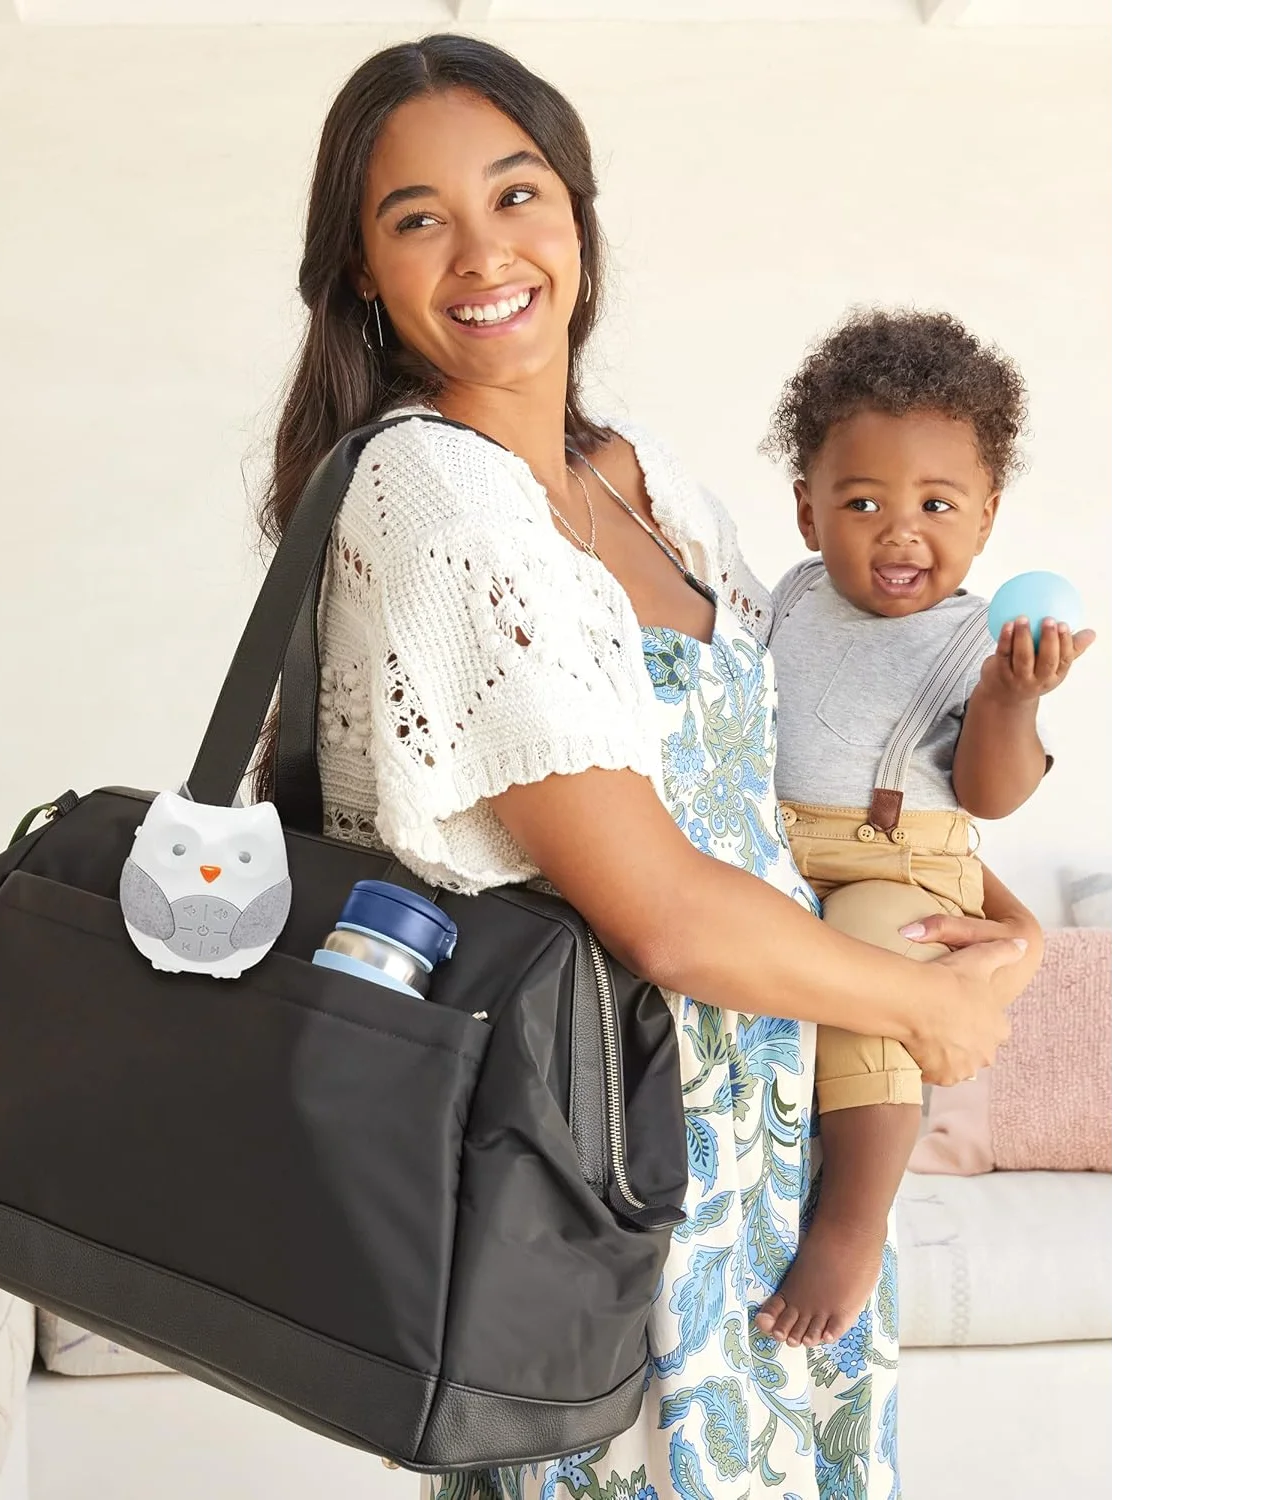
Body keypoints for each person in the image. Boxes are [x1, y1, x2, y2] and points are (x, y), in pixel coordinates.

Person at [249, 33, 1041, 1500]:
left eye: (517, 193)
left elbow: (784, 783)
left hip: (765, 1143)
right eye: (417, 218)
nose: (485, 252)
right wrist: (927, 1007)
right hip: (601, 1178)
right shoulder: (433, 498)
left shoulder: (636, 476)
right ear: (361, 269)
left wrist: (993, 911)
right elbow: (659, 908)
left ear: (578, 214)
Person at [750, 307, 1096, 1354]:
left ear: (987, 516)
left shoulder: (980, 641)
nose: (902, 532)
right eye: (862, 502)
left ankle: (854, 1220)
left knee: (870, 959)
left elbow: (989, 800)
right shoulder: (791, 600)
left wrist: (1009, 697)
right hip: (781, 858)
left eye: (937, 503)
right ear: (808, 514)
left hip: (903, 870)